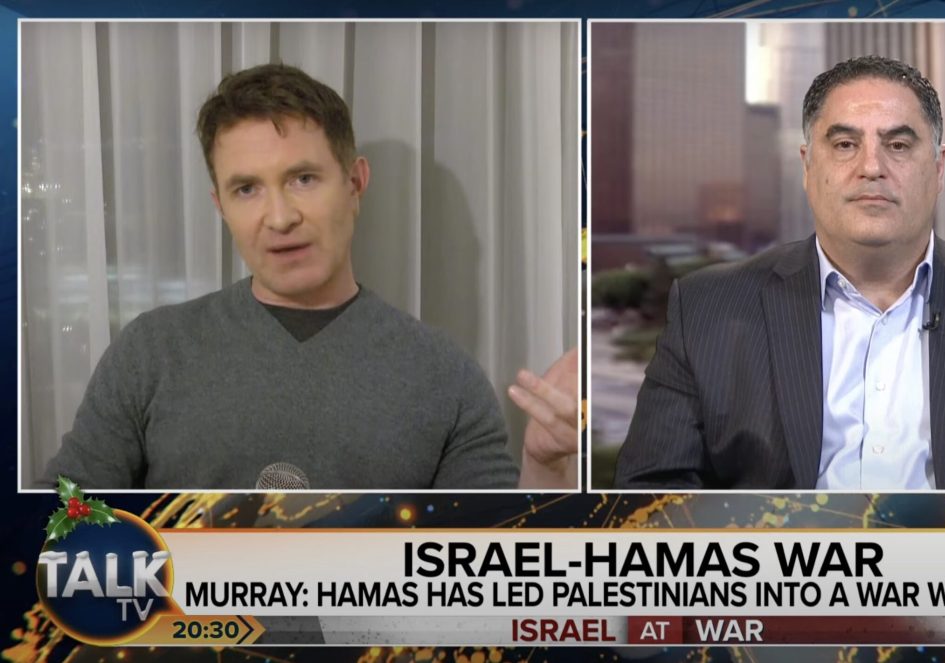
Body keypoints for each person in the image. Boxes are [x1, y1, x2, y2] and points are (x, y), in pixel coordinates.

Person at [37, 63, 578, 490]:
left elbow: (495, 564)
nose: (279, 218)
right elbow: (56, 527)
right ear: (221, 206)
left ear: (354, 184)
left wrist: (546, 466)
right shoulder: (150, 354)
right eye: (246, 189)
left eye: (302, 179)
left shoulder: (447, 379)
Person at [615, 55, 945, 491]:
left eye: (899, 145)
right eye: (845, 144)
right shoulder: (706, 307)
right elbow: (649, 501)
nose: (871, 167)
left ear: (938, 168)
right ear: (807, 166)